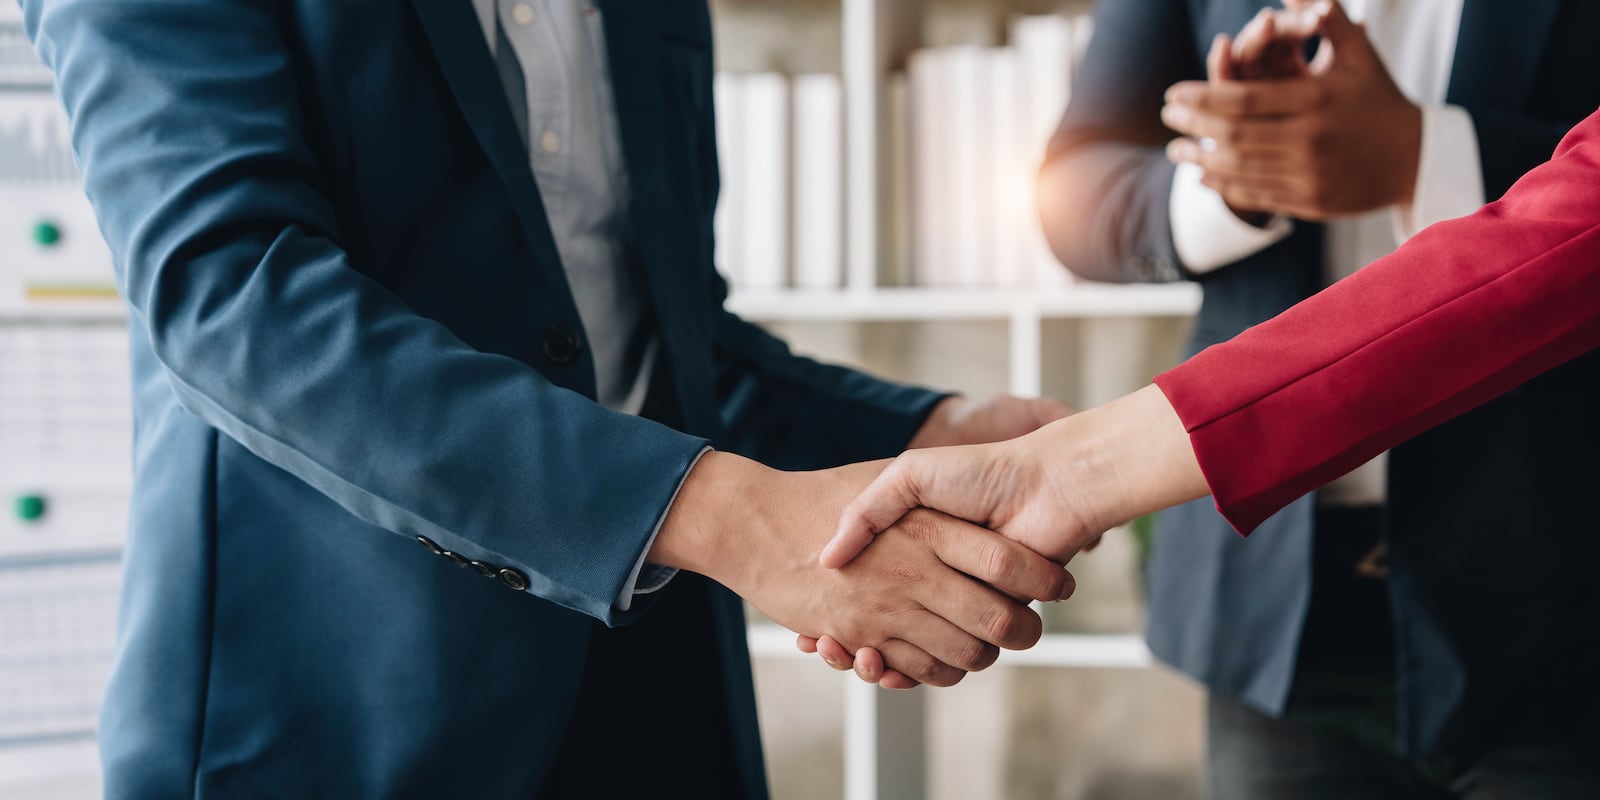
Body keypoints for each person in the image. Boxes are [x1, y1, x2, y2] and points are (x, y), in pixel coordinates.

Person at [22, 1, 1078, 796]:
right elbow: (236, 302)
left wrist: (920, 432)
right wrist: (737, 519)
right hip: (332, 712)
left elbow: (645, 334)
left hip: (654, 698)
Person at [815, 0, 1600, 795]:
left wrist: (1423, 158)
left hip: (1558, 593)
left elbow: (1574, 223)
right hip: (1270, 602)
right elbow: (1073, 183)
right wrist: (1231, 182)